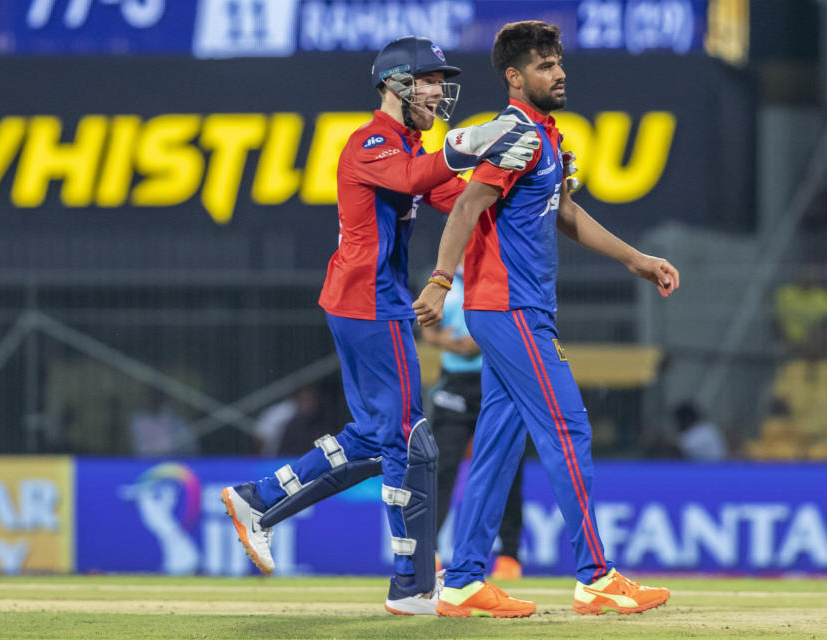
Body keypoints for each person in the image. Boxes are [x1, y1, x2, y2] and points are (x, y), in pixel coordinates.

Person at [220, 36, 540, 615]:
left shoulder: (409, 146)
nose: (439, 91)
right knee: (411, 440)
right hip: (369, 301)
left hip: (368, 301)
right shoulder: (372, 140)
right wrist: (470, 142)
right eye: (429, 81)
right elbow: (416, 179)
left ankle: (257, 499)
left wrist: (532, 181)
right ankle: (412, 585)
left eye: (442, 82)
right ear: (395, 84)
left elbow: (465, 200)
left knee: (375, 437)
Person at [412, 21, 679, 618]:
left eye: (558, 62)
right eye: (544, 65)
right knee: (568, 428)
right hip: (512, 311)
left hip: (511, 312)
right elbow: (467, 205)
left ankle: (461, 581)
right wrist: (439, 280)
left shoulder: (544, 137)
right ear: (515, 76)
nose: (559, 73)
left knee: (500, 446)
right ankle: (596, 576)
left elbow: (563, 211)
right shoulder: (518, 135)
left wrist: (637, 260)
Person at [421, 260, 525, 580]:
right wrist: (447, 343)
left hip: (495, 380)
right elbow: (426, 327)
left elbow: (519, 322)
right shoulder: (444, 280)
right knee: (440, 467)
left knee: (505, 467)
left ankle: (509, 556)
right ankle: (429, 552)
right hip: (454, 384)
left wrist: (480, 341)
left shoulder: (502, 275)